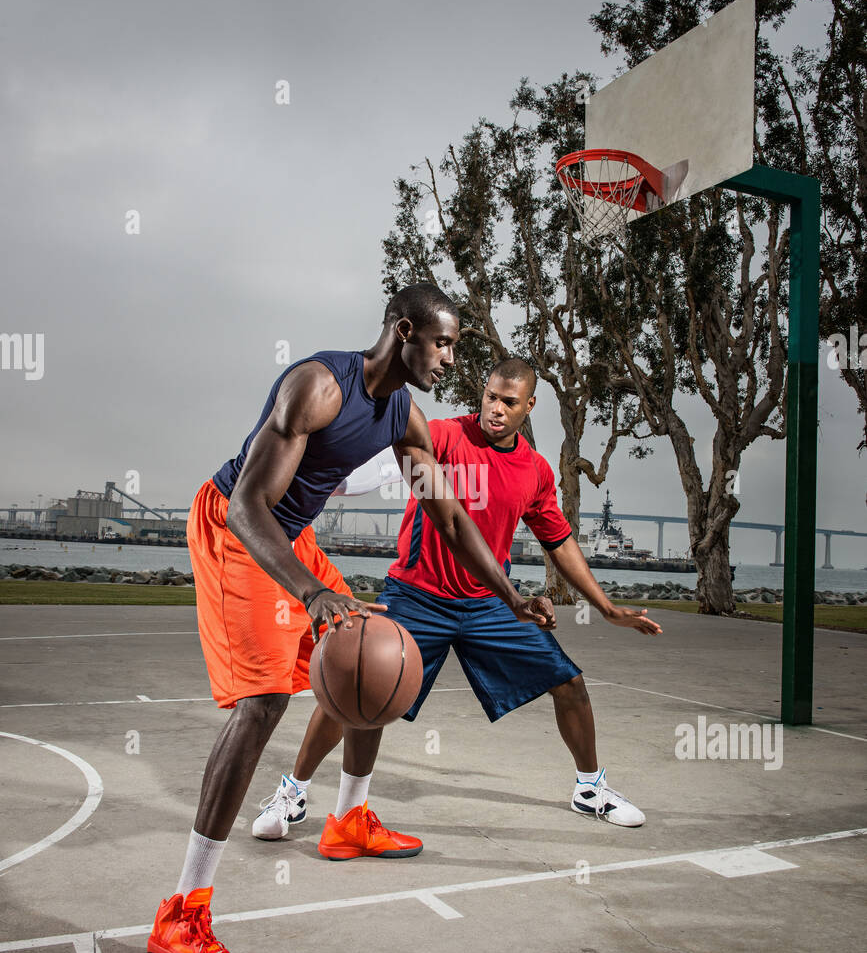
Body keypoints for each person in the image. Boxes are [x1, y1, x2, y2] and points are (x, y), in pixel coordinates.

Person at [146, 286, 554, 953]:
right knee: (266, 700)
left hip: (290, 536)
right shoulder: (318, 387)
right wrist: (311, 592)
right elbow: (247, 505)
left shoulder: (404, 415)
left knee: (376, 652)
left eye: (454, 345)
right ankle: (181, 917)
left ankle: (350, 819)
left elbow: (450, 518)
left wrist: (510, 594)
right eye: (442, 343)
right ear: (403, 332)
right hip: (233, 528)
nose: (449, 359)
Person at [253, 358, 662, 848]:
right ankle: (293, 793)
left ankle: (590, 789)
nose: (495, 408)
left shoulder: (534, 470)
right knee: (355, 684)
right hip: (417, 596)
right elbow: (381, 466)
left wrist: (607, 607)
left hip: (492, 603)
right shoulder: (444, 436)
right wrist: (309, 476)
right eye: (490, 396)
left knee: (569, 683)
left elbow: (560, 540)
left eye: (509, 402)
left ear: (528, 407)